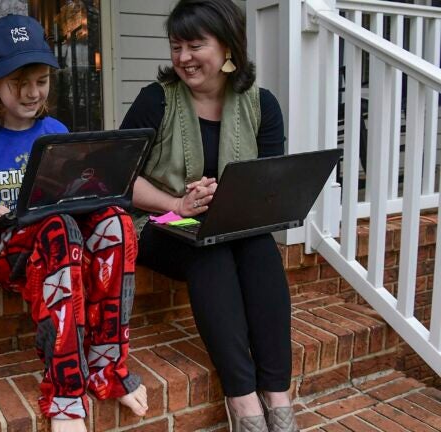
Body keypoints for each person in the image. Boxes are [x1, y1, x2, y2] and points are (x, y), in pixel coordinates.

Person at [0, 14, 147, 432]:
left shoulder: (55, 130)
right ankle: (66, 393)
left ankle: (107, 366)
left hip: (53, 244)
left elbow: (69, 195)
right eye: (20, 82)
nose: (33, 93)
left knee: (115, 222)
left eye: (42, 81)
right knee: (57, 230)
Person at [120, 1, 298, 431]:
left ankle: (277, 394)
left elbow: (268, 185)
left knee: (258, 246)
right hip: (160, 224)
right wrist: (177, 205)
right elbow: (120, 177)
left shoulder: (261, 104)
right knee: (208, 252)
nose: (183, 58)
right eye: (176, 46)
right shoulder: (155, 101)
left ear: (228, 47)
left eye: (195, 45)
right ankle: (242, 401)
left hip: (232, 226)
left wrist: (229, 200)